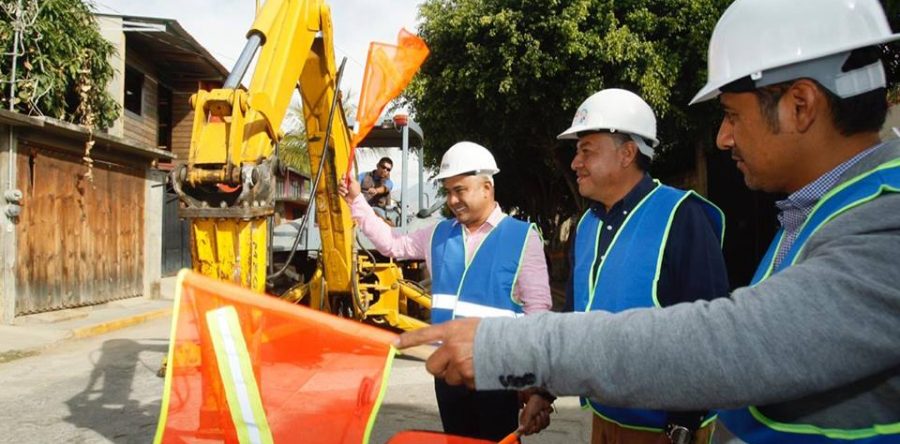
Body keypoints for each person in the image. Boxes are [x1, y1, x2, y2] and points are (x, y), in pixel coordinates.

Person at [396, 0, 900, 443]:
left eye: (731, 115)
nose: (723, 138)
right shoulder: (815, 212)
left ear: (801, 105)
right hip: (607, 414)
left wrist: (506, 349)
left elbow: (729, 342)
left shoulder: (884, 220)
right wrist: (543, 386)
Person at [339, 141, 553, 440]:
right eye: (448, 191)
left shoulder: (522, 237)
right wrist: (356, 201)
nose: (452, 200)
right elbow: (392, 244)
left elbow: (538, 314)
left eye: (460, 190)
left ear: (487, 188)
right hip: (449, 375)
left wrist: (537, 385)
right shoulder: (438, 234)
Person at [554, 88, 729, 444]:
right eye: (577, 152)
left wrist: (683, 425)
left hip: (664, 429)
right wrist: (545, 389)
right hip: (604, 416)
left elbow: (709, 331)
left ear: (627, 153)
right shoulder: (587, 225)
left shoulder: (681, 216)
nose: (575, 163)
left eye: (587, 151)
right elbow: (574, 314)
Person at [358, 156, 395, 221]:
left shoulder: (389, 182)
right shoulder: (363, 176)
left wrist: (376, 190)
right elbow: (355, 185)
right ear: (377, 165)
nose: (385, 170)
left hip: (378, 210)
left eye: (388, 169)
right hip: (361, 208)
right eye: (383, 167)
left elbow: (385, 188)